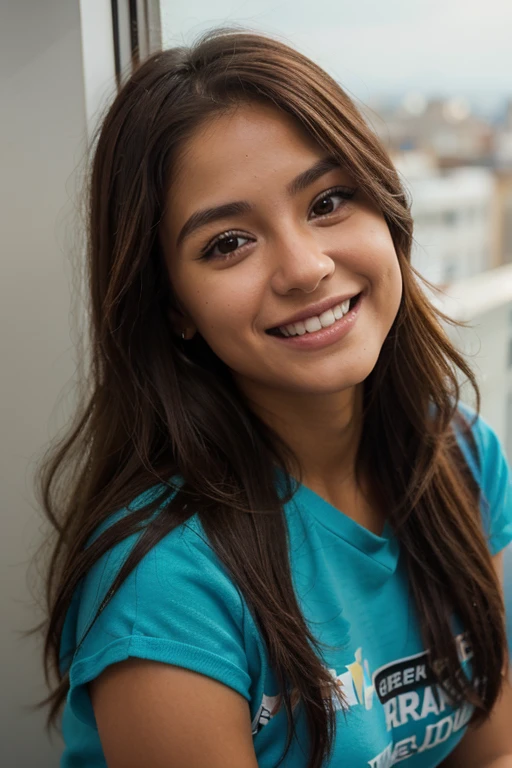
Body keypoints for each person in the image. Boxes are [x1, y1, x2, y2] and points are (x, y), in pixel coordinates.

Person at [34, 28, 512, 768]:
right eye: (228, 243)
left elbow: (488, 751)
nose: (304, 266)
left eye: (328, 201)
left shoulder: (465, 455)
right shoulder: (166, 582)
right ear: (174, 307)